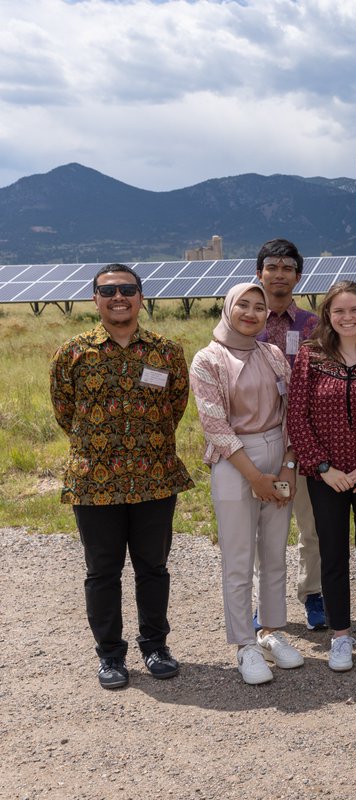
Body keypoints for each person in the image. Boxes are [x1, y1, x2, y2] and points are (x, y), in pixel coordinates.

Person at [50, 264, 194, 689]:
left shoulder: (167, 351)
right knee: (102, 572)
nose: (119, 297)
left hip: (154, 478)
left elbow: (176, 406)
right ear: (94, 299)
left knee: (153, 568)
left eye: (127, 289)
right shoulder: (72, 352)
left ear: (141, 297)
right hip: (94, 483)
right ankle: (110, 655)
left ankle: (155, 646)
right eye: (108, 290)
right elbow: (64, 411)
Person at [190, 283, 305, 684]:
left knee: (275, 552)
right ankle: (244, 644)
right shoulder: (208, 359)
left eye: (259, 307)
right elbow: (215, 425)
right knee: (239, 558)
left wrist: (289, 463)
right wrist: (255, 477)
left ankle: (271, 632)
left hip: (280, 456)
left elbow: (293, 410)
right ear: (228, 308)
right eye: (244, 305)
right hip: (234, 461)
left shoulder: (273, 355)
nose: (252, 313)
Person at [288, 281, 356, 672]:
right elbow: (297, 418)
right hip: (326, 477)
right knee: (332, 555)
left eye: (354, 309)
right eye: (339, 311)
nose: (347, 317)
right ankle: (340, 634)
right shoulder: (310, 357)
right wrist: (322, 467)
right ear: (328, 316)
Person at [254, 238, 325, 632]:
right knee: (264, 528)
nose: (279, 274)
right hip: (258, 441)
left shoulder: (312, 325)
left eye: (287, 268)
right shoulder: (246, 317)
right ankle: (264, 603)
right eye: (272, 267)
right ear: (259, 272)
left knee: (310, 524)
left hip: (304, 443)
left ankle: (313, 594)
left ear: (298, 276)